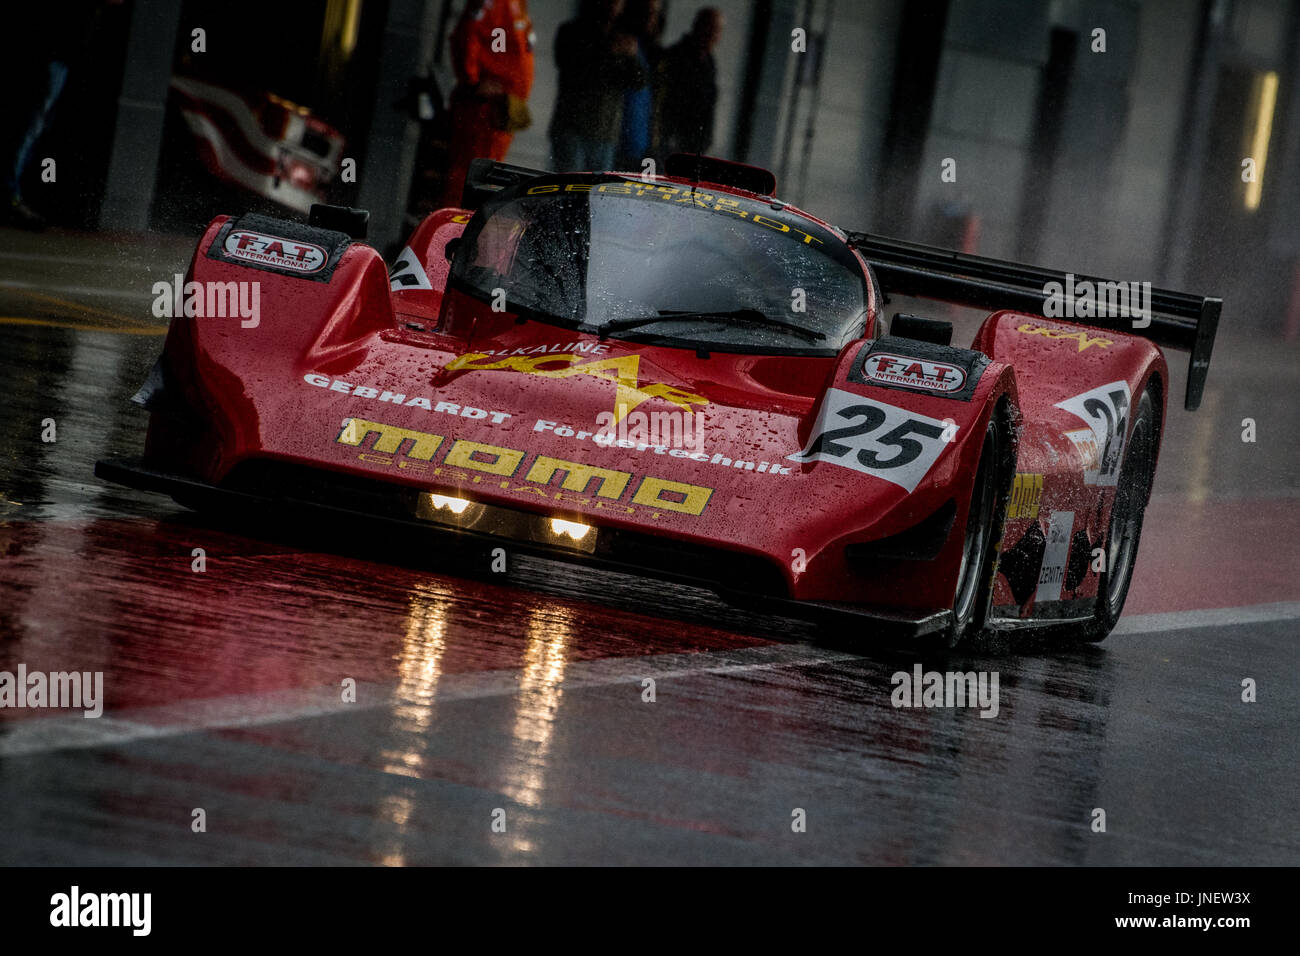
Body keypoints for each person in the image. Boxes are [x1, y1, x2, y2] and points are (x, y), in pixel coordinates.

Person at [439, 0, 535, 207]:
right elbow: (468, 35)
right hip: (484, 109)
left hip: (502, 109)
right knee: (468, 174)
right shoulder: (493, 4)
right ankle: (455, 228)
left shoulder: (516, 4)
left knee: (484, 176)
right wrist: (472, 80)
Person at [548, 0, 645, 173]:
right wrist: (611, 52)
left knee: (595, 191)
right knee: (568, 186)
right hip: (573, 127)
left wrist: (631, 57)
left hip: (605, 132)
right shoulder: (573, 32)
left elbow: (639, 82)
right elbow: (574, 68)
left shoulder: (624, 38)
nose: (613, 6)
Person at [655, 8, 723, 159]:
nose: (714, 35)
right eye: (710, 28)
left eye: (717, 30)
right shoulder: (677, 56)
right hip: (672, 145)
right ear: (698, 27)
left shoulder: (710, 63)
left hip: (696, 148)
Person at [613, 0, 663, 171]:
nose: (650, 19)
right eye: (647, 12)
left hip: (640, 143)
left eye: (654, 14)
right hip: (615, 139)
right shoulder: (621, 42)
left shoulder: (653, 53)